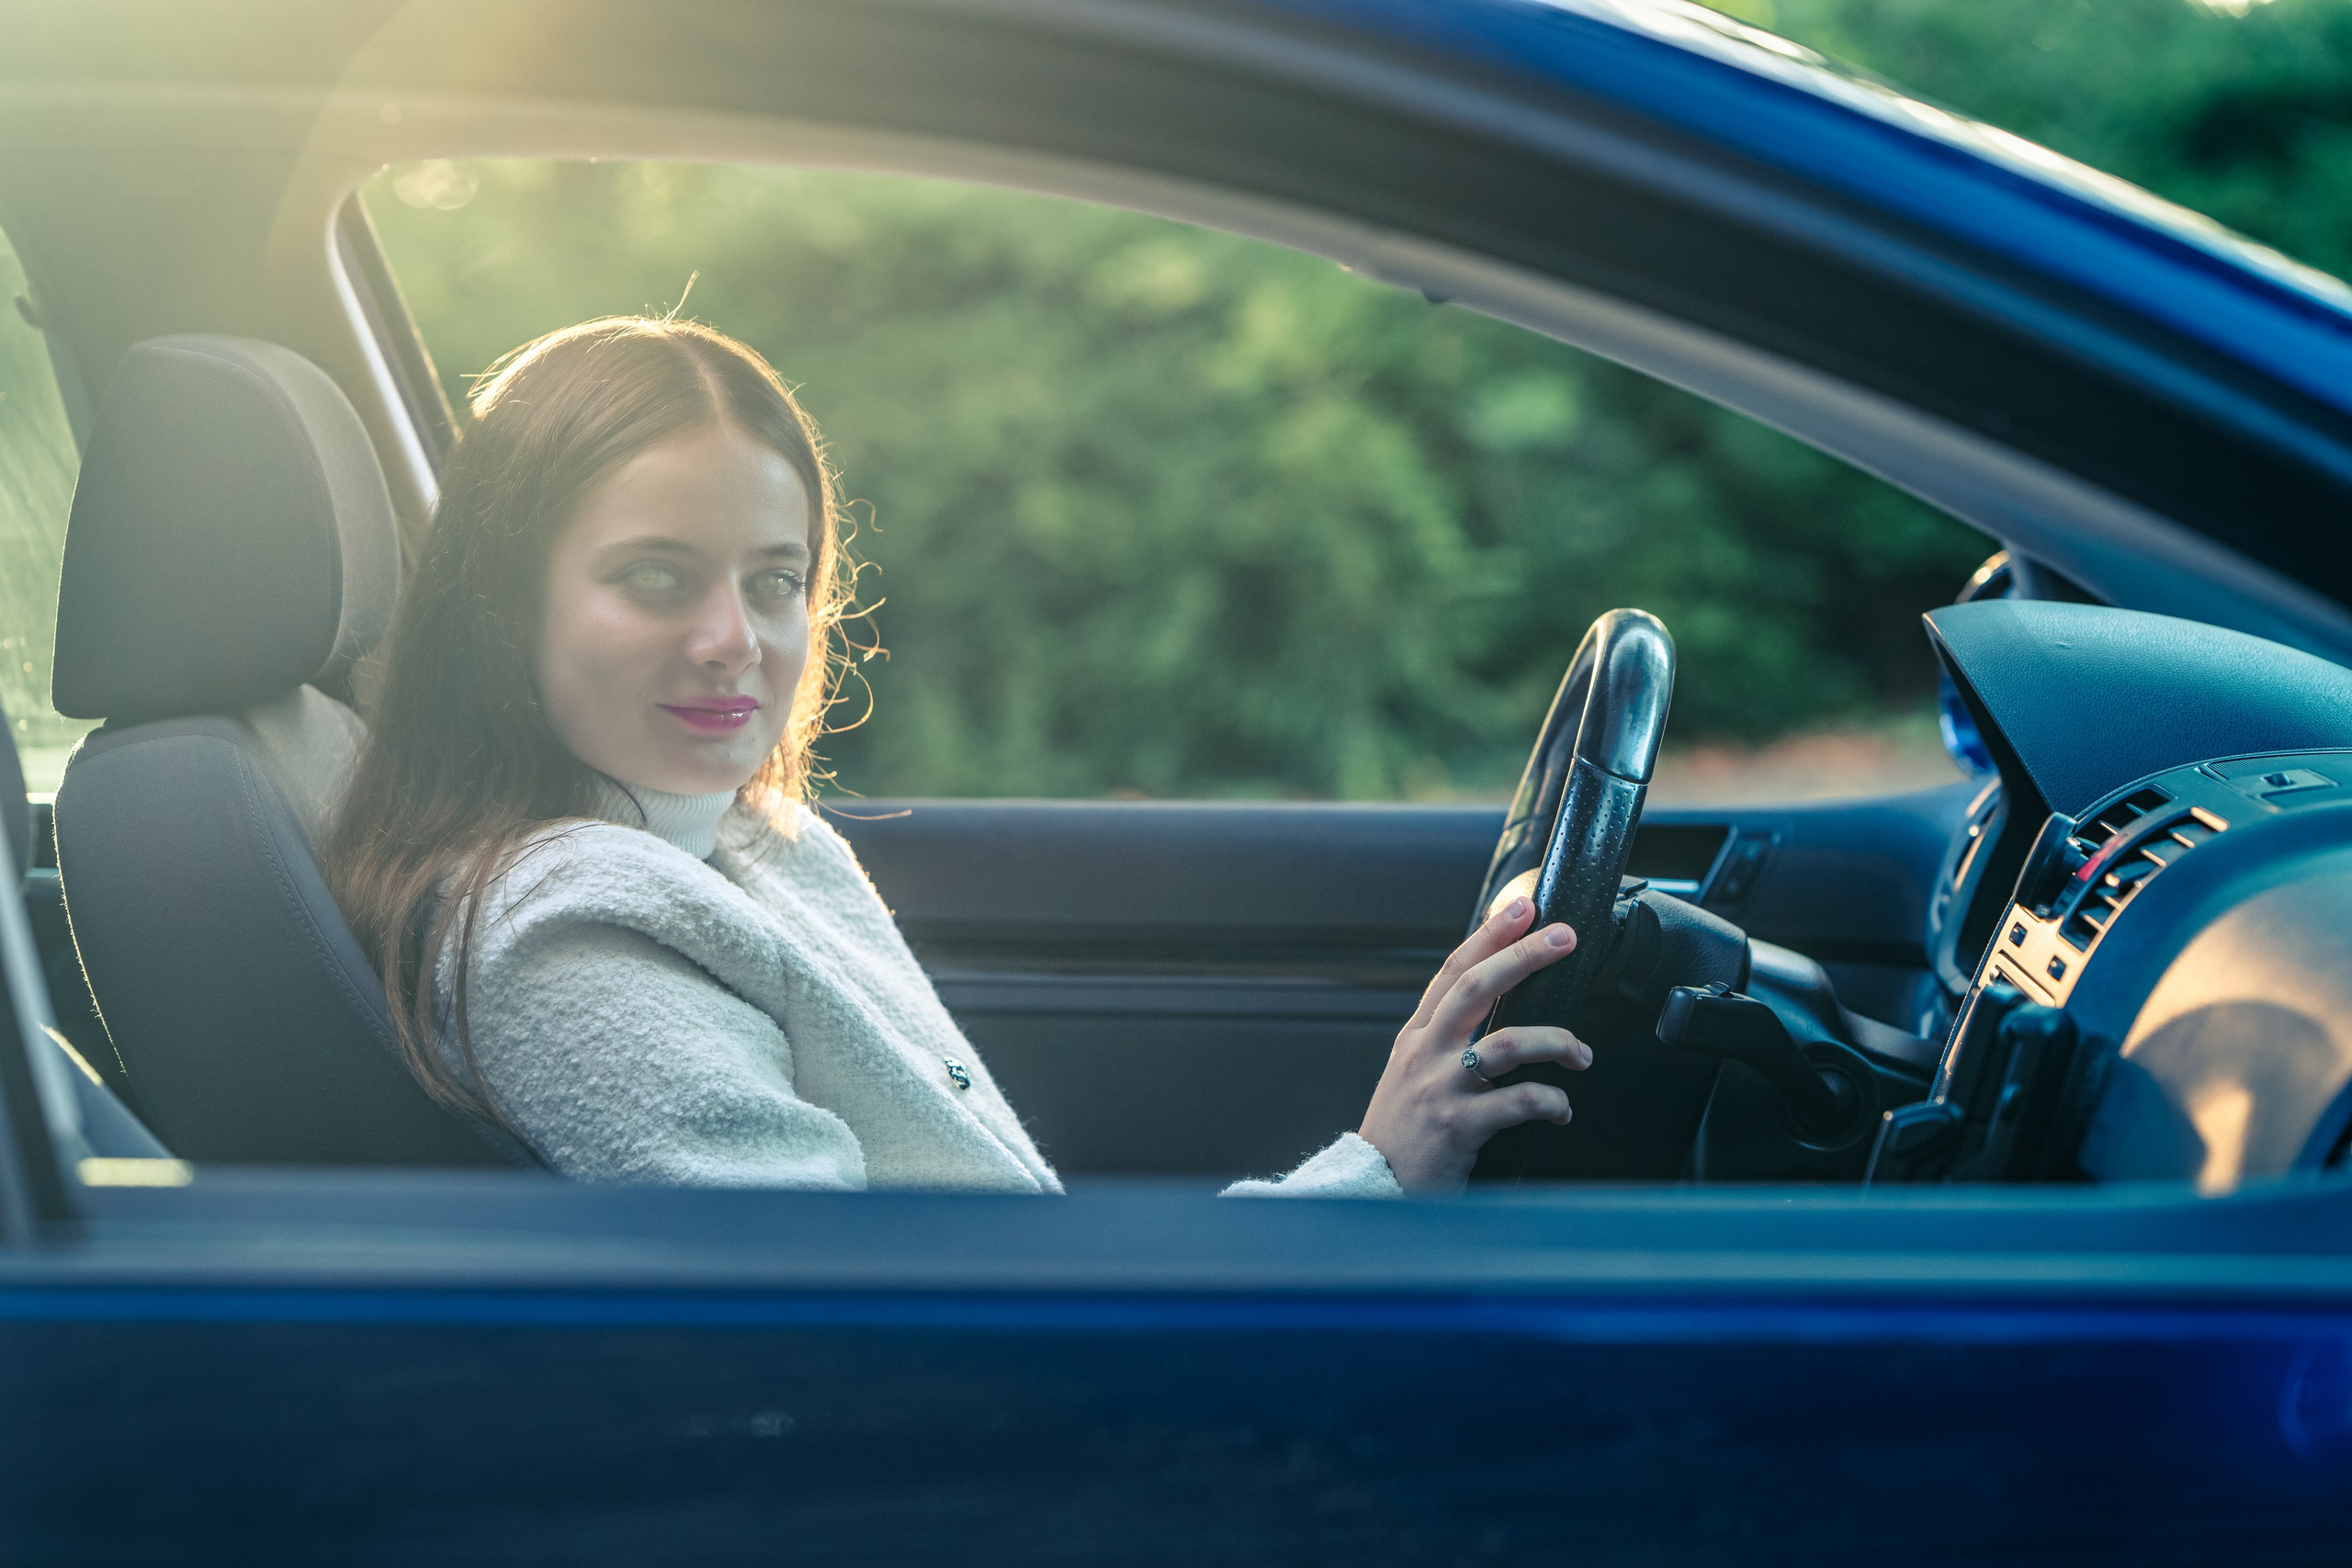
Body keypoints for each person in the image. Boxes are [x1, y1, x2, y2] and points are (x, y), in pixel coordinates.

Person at [324, 317, 1590, 1196]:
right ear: (501, 604)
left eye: (775, 582)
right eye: (655, 577)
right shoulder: (571, 932)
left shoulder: (742, 838)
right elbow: (888, 1341)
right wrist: (1367, 1182)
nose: (736, 641)